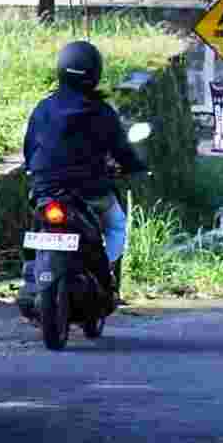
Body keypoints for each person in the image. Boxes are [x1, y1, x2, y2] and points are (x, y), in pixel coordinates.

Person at [22, 40, 150, 306]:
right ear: (95, 73)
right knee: (115, 224)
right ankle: (110, 278)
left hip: (45, 188)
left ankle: (31, 274)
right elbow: (121, 150)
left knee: (35, 222)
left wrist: (35, 169)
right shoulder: (102, 111)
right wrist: (135, 168)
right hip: (89, 190)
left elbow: (29, 146)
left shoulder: (44, 108)